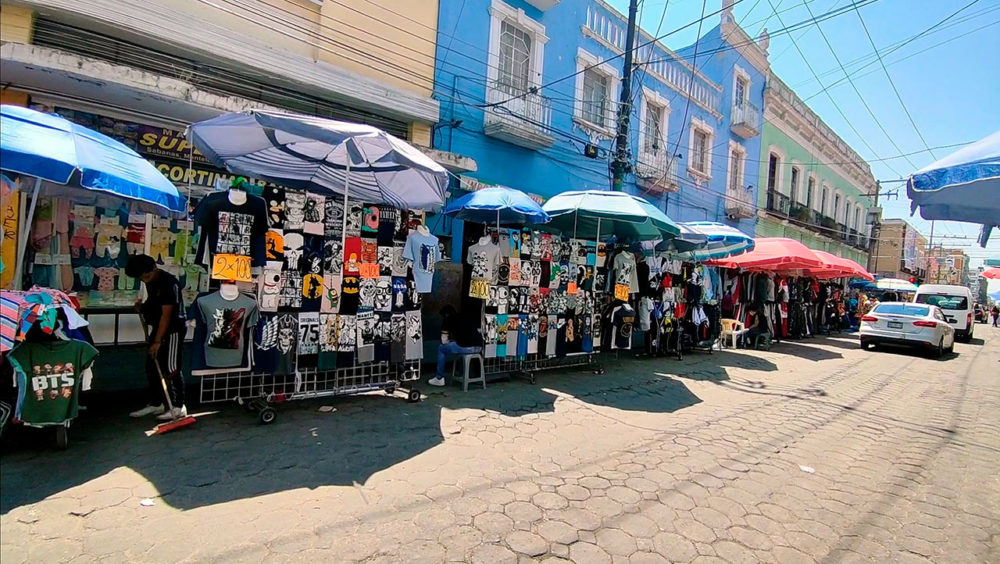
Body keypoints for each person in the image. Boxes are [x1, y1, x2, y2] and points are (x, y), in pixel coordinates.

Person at [125, 254, 187, 420]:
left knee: (171, 368)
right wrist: (143, 308)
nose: (145, 280)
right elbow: (154, 304)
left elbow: (166, 315)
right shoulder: (151, 281)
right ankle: (157, 403)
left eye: (146, 276)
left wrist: (158, 341)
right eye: (141, 278)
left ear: (154, 268)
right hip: (158, 328)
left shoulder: (169, 283)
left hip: (173, 329)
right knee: (152, 366)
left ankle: (178, 406)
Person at [429, 305, 483, 387]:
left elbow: (444, 341)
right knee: (458, 345)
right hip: (479, 347)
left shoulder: (447, 320)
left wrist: (450, 340)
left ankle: (439, 378)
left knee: (441, 349)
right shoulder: (465, 316)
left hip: (465, 347)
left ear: (445, 315)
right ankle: (462, 373)